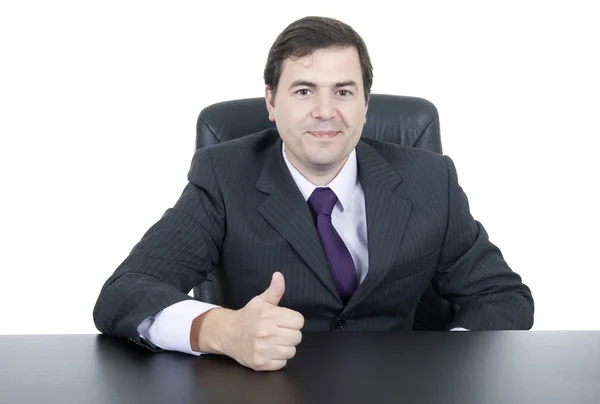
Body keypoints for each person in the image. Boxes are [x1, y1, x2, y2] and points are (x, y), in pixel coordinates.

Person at [93, 16, 534, 371]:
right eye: (304, 91)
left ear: (365, 104)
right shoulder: (224, 177)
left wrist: (445, 364)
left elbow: (502, 297)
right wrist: (220, 331)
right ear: (271, 102)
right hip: (267, 387)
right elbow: (125, 293)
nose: (325, 112)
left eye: (343, 91)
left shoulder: (429, 178)